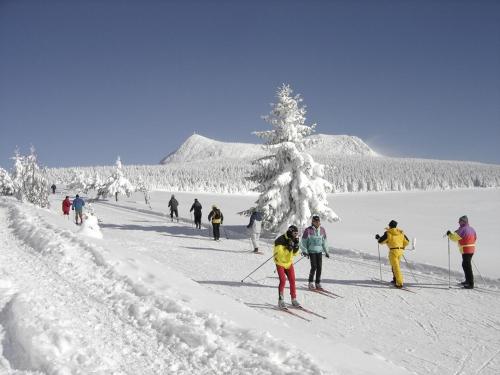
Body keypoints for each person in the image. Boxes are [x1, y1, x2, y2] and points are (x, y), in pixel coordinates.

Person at [375, 220, 409, 288]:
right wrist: (402, 247)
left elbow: (381, 241)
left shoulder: (388, 233)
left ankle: (399, 283)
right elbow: (407, 242)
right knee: (396, 266)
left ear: (390, 225)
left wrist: (378, 238)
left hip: (393, 252)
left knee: (396, 267)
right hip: (400, 251)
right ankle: (395, 279)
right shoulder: (401, 233)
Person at [446, 215, 477, 289]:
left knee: (467, 266)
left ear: (464, 221)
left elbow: (454, 238)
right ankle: (467, 281)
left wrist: (449, 234)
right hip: (471, 249)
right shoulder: (471, 229)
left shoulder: (462, 229)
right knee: (465, 265)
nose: (458, 222)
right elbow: (475, 237)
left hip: (466, 249)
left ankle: (470, 283)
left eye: (460, 221)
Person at [274, 225, 301, 308]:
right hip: (280, 263)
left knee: (292, 280)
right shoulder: (280, 240)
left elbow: (295, 254)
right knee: (283, 280)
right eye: (295, 233)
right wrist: (288, 248)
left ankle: (294, 299)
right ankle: (281, 300)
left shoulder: (294, 239)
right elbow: (279, 255)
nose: (296, 235)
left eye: (297, 233)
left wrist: (296, 247)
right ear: (290, 231)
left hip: (288, 263)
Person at [300, 214, 330, 290]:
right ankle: (310, 283)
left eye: (318, 221)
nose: (317, 223)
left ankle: (317, 283)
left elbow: (324, 241)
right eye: (315, 221)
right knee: (314, 267)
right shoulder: (308, 230)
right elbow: (303, 242)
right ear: (312, 222)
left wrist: (326, 251)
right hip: (312, 251)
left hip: (319, 251)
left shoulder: (322, 230)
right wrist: (305, 251)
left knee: (319, 267)